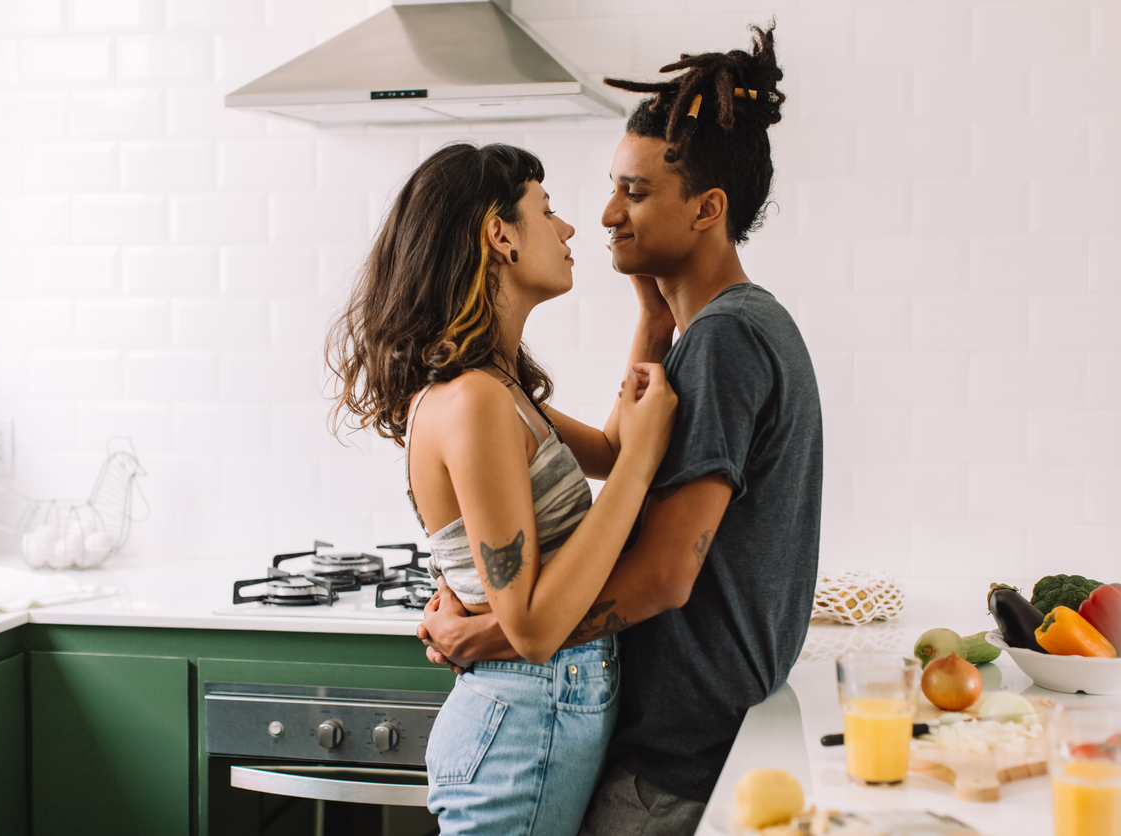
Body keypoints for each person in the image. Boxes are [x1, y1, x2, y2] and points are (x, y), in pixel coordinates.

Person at [417, 23, 823, 835]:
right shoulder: (729, 329)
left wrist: (496, 635)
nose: (603, 215)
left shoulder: (727, 341)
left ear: (708, 209)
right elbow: (619, 456)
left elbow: (666, 572)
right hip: (685, 740)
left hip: (675, 757)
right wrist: (656, 318)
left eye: (633, 193)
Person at [325, 142, 679, 836]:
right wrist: (642, 464)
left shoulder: (497, 388)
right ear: (500, 236)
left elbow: (608, 450)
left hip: (528, 715)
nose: (570, 229)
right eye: (547, 211)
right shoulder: (474, 400)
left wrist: (654, 321)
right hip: (522, 717)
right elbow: (533, 627)